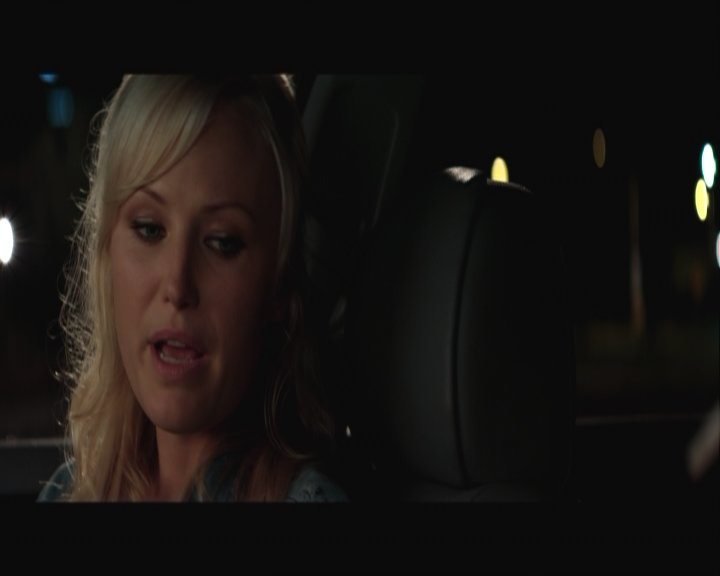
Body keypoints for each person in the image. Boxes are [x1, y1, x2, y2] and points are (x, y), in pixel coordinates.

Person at [37, 74, 347, 502]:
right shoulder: (68, 491)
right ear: (107, 254)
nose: (177, 284)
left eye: (222, 242)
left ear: (278, 285)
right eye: (149, 229)